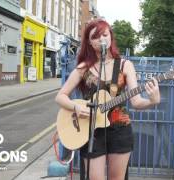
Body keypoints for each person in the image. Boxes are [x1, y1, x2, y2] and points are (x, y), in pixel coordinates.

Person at [55, 19, 160, 180]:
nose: (102, 39)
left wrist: (152, 100)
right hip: (91, 132)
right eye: (95, 37)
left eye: (105, 34)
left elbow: (136, 102)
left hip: (120, 130)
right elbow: (60, 96)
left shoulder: (125, 65)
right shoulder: (84, 68)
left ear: (110, 37)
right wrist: (75, 107)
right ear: (89, 43)